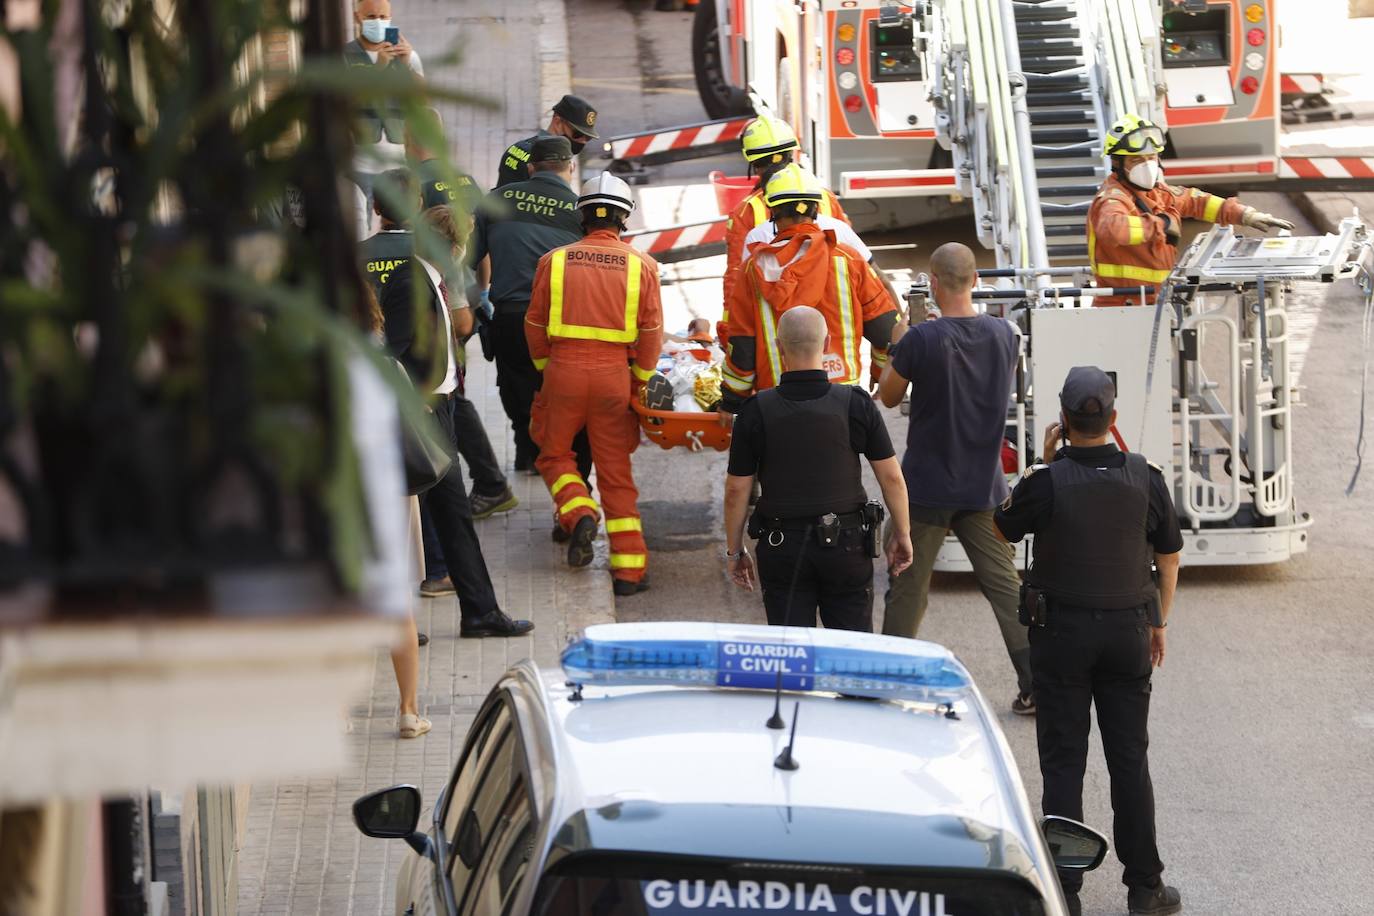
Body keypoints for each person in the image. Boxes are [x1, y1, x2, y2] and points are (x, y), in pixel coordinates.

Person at [993, 366, 1183, 916]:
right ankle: (1145, 888)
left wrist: (1047, 462)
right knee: (1129, 760)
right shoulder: (1145, 476)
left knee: (1063, 762)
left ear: (1063, 419)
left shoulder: (1045, 481)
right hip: (1127, 633)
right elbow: (1168, 558)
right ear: (1113, 419)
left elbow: (1003, 527)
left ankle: (1064, 893)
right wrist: (1158, 622)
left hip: (1061, 636)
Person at [876, 241, 1034, 714]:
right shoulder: (1006, 334)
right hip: (984, 486)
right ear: (976, 282)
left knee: (907, 584)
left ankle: (887, 685)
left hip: (925, 487)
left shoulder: (922, 340)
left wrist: (900, 340)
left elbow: (887, 396)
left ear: (935, 283)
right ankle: (1038, 682)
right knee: (1007, 589)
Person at [380, 205, 534, 638]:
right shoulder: (410, 282)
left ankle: (481, 612)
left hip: (442, 410)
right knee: (403, 524)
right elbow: (390, 352)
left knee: (453, 518)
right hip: (424, 417)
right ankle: (391, 620)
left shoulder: (431, 280)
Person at [723, 306, 913, 630]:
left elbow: (736, 489)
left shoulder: (756, 411)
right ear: (826, 345)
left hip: (781, 545)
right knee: (851, 653)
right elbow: (892, 477)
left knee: (793, 658)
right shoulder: (855, 403)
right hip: (847, 546)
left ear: (779, 348)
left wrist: (735, 549)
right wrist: (903, 534)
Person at [525, 173, 662, 596]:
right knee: (616, 473)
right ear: (623, 218)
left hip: (563, 373)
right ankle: (628, 572)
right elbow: (652, 332)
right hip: (613, 380)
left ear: (581, 214)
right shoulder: (643, 266)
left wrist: (550, 369)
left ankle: (578, 510)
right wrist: (638, 381)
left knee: (552, 455)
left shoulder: (555, 260)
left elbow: (533, 324)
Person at [719, 163, 896, 415]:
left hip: (777, 403)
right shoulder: (849, 260)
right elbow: (885, 331)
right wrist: (878, 373)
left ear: (772, 210)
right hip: (842, 400)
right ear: (816, 208)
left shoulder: (753, 270)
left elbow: (742, 345)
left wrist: (731, 402)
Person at [469, 135, 591, 479]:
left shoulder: (495, 201)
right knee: (557, 388)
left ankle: (528, 451)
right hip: (561, 321)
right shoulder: (581, 209)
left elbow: (465, 260)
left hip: (511, 317)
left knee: (515, 385)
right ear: (570, 167)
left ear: (530, 167)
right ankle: (559, 458)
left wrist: (477, 303)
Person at [1089, 113, 1293, 306]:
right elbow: (1114, 229)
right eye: (1137, 160)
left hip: (1154, 300)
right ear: (1117, 162)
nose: (1147, 165)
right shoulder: (1113, 198)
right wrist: (1163, 224)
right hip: (1122, 308)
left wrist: (1245, 215)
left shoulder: (1156, 192)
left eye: (1151, 158)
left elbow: (1197, 202)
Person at [720, 115, 849, 345]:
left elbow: (736, 280)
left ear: (755, 165)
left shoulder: (748, 210)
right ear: (792, 154)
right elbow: (851, 257)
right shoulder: (825, 197)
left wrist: (729, 332)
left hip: (778, 332)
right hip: (830, 321)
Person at [344, 0, 424, 234]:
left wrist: (408, 63)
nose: (378, 22)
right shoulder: (345, 56)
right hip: (360, 162)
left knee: (401, 224)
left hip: (397, 160)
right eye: (371, 17)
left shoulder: (405, 54)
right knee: (361, 226)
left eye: (383, 16)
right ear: (357, 17)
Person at [495, 94, 599, 188]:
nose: (583, 142)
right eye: (578, 134)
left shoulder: (517, 147)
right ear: (558, 122)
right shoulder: (550, 163)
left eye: (588, 138)